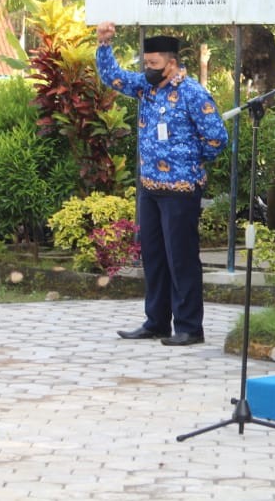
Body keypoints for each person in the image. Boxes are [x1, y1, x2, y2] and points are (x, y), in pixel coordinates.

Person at [95, 22, 228, 346]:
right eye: (146, 64)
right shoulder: (146, 88)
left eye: (154, 65)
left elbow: (217, 137)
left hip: (181, 189)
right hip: (150, 186)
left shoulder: (193, 93)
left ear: (172, 63)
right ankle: (156, 321)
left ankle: (188, 327)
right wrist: (103, 45)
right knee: (153, 255)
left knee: (180, 257)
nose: (148, 70)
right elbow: (114, 77)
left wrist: (190, 162)